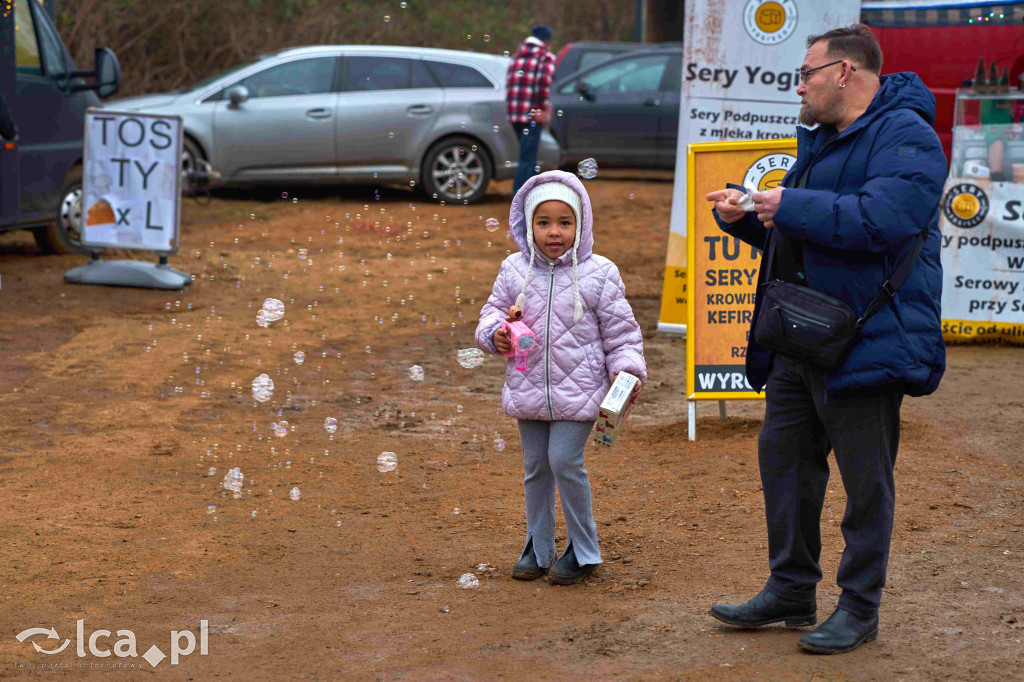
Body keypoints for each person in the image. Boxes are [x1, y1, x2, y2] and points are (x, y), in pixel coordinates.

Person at [704, 24, 946, 654]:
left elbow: (883, 220)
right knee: (784, 464)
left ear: (845, 72)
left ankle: (859, 608)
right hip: (800, 335)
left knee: (866, 485)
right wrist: (748, 215)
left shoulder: (908, 136)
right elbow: (806, 234)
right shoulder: (820, 140)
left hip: (869, 339)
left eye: (806, 73)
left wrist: (788, 205)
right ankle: (791, 589)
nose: (800, 87)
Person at [475, 170, 646, 585]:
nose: (554, 232)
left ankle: (583, 550)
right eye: (544, 222)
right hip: (529, 388)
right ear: (527, 224)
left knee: (564, 461)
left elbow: (622, 334)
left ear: (581, 224)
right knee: (536, 466)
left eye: (565, 222)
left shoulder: (601, 273)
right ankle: (538, 545)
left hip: (583, 391)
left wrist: (627, 373)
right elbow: (491, 314)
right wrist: (494, 334)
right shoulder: (514, 269)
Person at [506, 25, 556, 194]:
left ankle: (533, 192)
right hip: (533, 115)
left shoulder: (517, 56)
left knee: (528, 156)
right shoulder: (546, 57)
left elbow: (510, 85)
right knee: (528, 159)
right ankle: (518, 197)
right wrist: (542, 109)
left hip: (514, 114)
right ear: (546, 42)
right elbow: (544, 86)